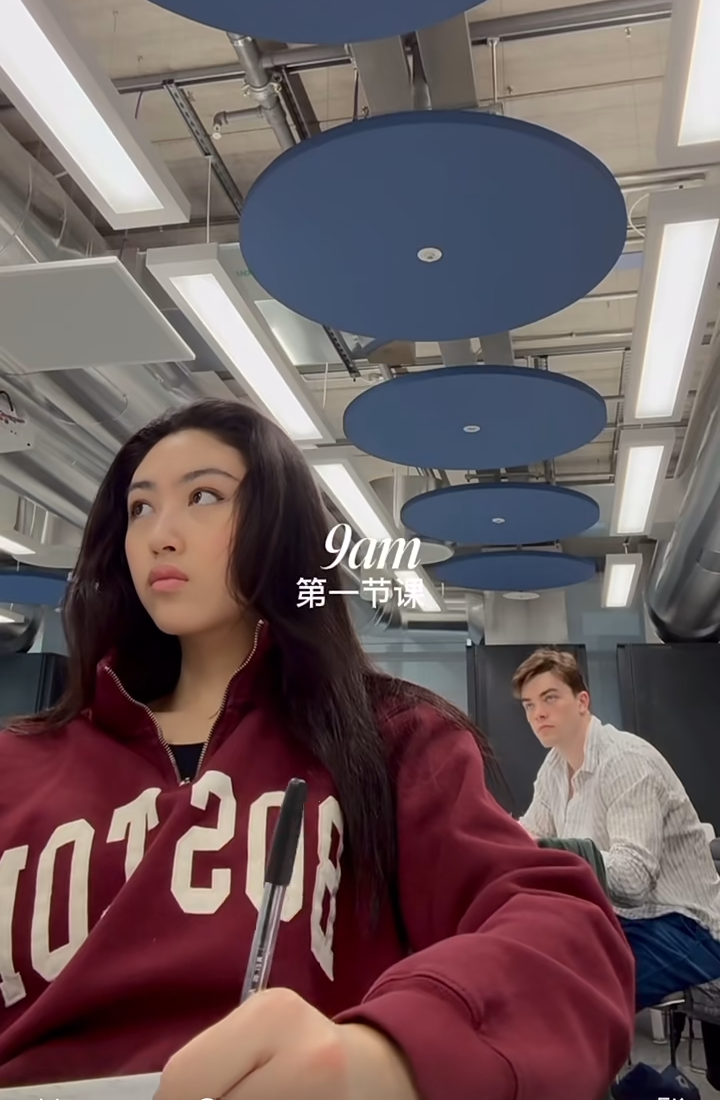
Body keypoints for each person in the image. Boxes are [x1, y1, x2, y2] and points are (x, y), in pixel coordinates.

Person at [0, 401, 634, 1100]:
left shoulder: (392, 742)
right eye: (140, 509)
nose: (160, 535)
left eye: (204, 497)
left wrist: (390, 1053)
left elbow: (562, 933)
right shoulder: (18, 764)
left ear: (281, 528)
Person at [515, 647, 720, 1090]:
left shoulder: (626, 762)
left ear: (582, 701)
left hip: (684, 924)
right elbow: (529, 834)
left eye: (550, 698)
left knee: (574, 998)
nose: (538, 714)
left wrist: (552, 851)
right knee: (528, 966)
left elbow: (633, 879)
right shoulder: (555, 768)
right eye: (529, 705)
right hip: (623, 920)